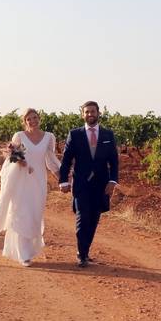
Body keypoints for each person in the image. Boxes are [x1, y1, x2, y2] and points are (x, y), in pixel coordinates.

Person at [0, 108, 61, 266]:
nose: (32, 121)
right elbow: (11, 158)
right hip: (21, 180)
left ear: (39, 118)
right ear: (24, 121)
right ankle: (23, 254)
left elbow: (51, 160)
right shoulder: (19, 136)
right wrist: (21, 161)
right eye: (28, 119)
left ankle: (30, 249)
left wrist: (62, 178)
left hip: (38, 180)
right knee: (20, 213)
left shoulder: (49, 137)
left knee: (35, 214)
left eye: (34, 117)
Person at [58, 101, 119, 267]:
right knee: (82, 218)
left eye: (93, 111)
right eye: (87, 112)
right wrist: (63, 180)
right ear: (82, 114)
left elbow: (114, 161)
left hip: (101, 184)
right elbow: (66, 160)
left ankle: (85, 250)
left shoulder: (108, 135)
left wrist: (113, 181)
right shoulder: (75, 134)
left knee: (93, 219)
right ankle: (81, 253)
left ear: (98, 113)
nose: (90, 114)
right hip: (81, 184)